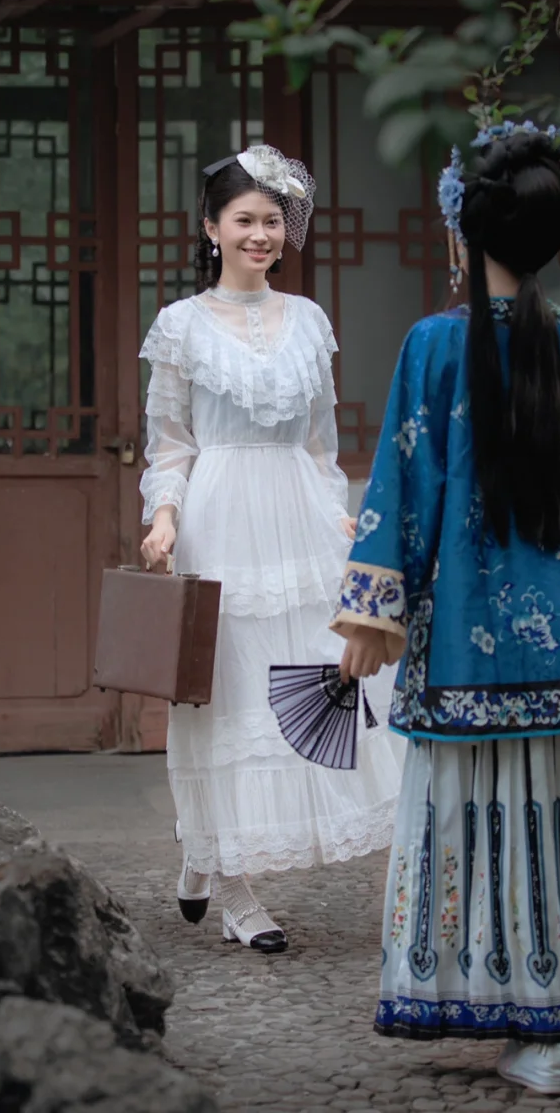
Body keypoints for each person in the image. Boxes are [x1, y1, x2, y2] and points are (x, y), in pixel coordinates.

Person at [332, 123, 560, 1095]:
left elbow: (402, 484)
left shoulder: (432, 349)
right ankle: (553, 1012)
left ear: (459, 236)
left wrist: (371, 613)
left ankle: (521, 1015)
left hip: (472, 666)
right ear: (559, 242)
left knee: (490, 826)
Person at [140, 143, 404, 954]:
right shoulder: (179, 327)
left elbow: (323, 446)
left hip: (300, 524)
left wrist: (342, 519)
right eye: (244, 221)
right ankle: (235, 888)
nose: (261, 235)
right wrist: (164, 516)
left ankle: (204, 855)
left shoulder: (310, 321)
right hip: (219, 524)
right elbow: (169, 445)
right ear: (211, 228)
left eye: (272, 222)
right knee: (229, 702)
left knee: (314, 692)